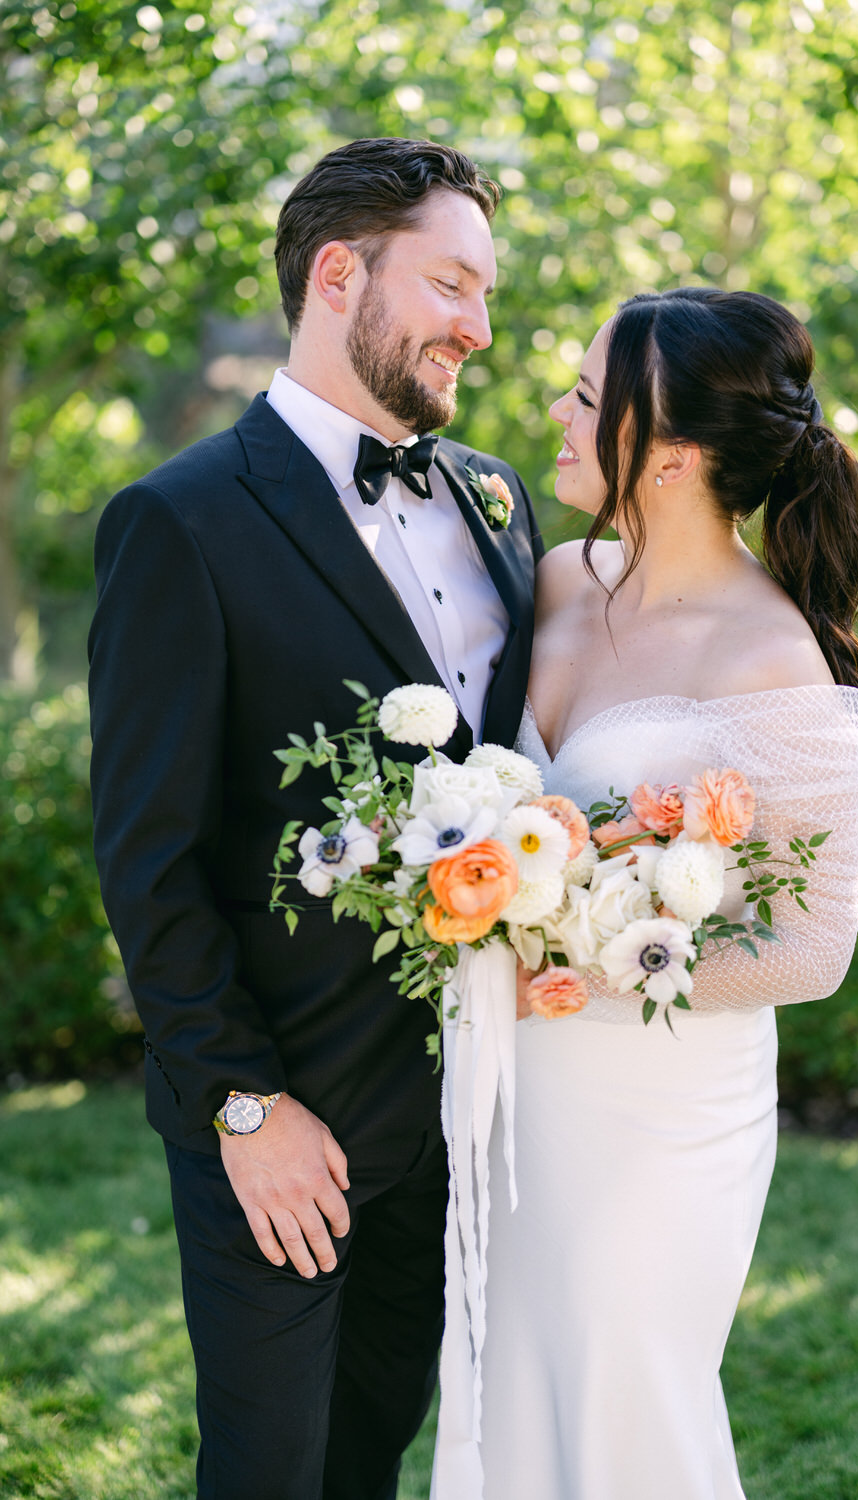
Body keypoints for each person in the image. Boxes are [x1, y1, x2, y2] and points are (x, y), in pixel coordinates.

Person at [88, 137, 543, 1500]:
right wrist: (242, 1104)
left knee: (373, 1458)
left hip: (462, 1113)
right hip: (286, 1133)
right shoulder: (179, 522)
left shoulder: (496, 501)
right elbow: (147, 856)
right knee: (270, 1474)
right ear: (339, 273)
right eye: (452, 284)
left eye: (486, 295)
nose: (479, 325)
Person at [431, 287, 858, 1499]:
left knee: (631, 1394)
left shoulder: (770, 659)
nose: (558, 413)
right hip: (517, 1088)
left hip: (659, 1109)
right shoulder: (562, 580)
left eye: (587, 398)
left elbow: (808, 949)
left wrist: (587, 963)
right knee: (506, 1384)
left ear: (671, 457)